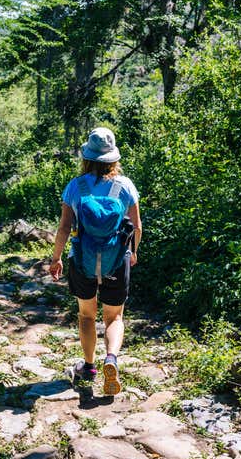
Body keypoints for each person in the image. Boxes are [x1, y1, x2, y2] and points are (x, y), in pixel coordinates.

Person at [49, 127, 142, 396]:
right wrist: (132, 252)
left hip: (82, 259)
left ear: (87, 156)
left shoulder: (75, 186)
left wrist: (56, 259)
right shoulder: (125, 186)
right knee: (114, 316)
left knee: (87, 315)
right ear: (113, 157)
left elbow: (64, 228)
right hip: (116, 258)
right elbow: (136, 226)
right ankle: (110, 359)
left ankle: (89, 366)